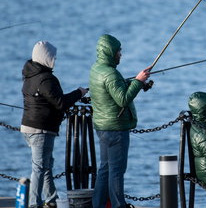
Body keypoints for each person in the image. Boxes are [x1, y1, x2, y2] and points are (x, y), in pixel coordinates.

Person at [21, 41, 88, 208]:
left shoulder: (30, 76)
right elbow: (60, 102)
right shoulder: (46, 79)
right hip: (41, 129)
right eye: (53, 57)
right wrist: (79, 93)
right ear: (45, 57)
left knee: (46, 166)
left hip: (28, 127)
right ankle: (34, 204)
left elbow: (48, 101)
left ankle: (51, 199)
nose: (55, 59)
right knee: (39, 168)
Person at [89, 34, 152, 208]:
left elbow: (114, 89)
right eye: (118, 51)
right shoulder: (110, 73)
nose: (121, 54)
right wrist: (138, 81)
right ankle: (118, 205)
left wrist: (135, 83)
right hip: (115, 128)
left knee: (105, 169)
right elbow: (123, 99)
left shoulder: (97, 68)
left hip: (102, 126)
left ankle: (98, 205)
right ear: (110, 52)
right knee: (117, 171)